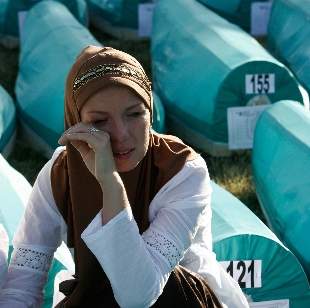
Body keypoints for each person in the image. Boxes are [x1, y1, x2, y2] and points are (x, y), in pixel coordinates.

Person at [0, 46, 249, 307]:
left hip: (181, 299)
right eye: (99, 121)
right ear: (76, 122)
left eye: (134, 114)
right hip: (96, 296)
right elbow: (25, 279)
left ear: (150, 112)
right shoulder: (60, 174)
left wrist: (110, 183)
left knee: (164, 280)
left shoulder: (182, 170)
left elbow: (140, 295)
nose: (121, 134)